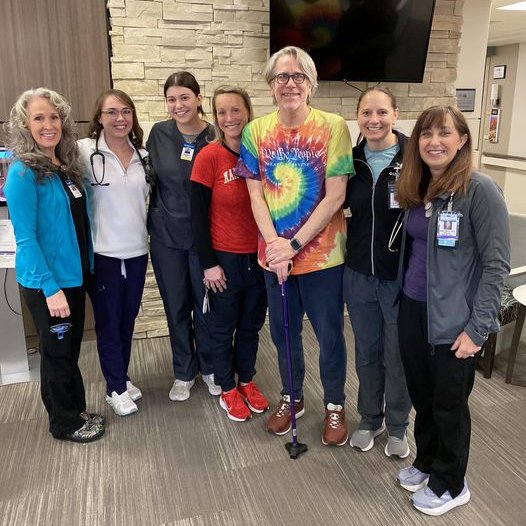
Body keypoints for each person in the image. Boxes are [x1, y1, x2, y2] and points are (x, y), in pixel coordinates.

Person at [395, 105, 510, 516]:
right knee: (423, 397)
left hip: (454, 320)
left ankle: (451, 482)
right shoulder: (419, 186)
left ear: (462, 140)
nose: (434, 142)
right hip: (413, 310)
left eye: (444, 133)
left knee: (449, 404)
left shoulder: (479, 190)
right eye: (426, 134)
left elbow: (497, 265)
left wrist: (478, 329)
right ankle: (427, 461)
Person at [236, 46, 354, 446]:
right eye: (282, 77)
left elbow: (335, 196)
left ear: (311, 84)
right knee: (283, 334)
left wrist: (294, 245)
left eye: (298, 76)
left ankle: (335, 405)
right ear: (271, 86)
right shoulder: (255, 132)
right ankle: (293, 398)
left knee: (329, 335)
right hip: (274, 257)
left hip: (322, 258)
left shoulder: (334, 126)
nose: (290, 84)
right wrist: (275, 246)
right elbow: (256, 197)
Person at [4, 88, 104, 443]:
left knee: (69, 350)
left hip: (74, 277)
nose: (49, 125)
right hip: (49, 283)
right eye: (39, 118)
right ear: (24, 125)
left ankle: (75, 410)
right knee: (57, 354)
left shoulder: (64, 167)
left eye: (54, 116)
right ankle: (63, 423)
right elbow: (27, 240)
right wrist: (50, 289)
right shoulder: (22, 173)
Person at [190, 86, 268, 422]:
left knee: (251, 326)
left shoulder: (264, 152)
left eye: (235, 110)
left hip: (260, 258)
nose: (229, 118)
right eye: (222, 112)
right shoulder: (209, 156)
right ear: (215, 117)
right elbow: (196, 215)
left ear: (248, 111)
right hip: (224, 261)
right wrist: (209, 264)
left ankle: (246, 380)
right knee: (222, 329)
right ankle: (227, 388)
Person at [344, 86, 412, 457]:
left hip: (398, 276)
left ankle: (399, 424)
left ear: (395, 114)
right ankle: (371, 418)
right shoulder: (349, 160)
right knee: (368, 351)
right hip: (357, 274)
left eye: (382, 112)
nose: (374, 120)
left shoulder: (413, 158)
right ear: (358, 117)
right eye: (367, 113)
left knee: (396, 353)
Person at [147, 71, 219, 401]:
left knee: (206, 305)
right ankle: (183, 371)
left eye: (185, 97)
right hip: (166, 236)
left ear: (199, 98)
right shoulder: (158, 134)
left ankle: (209, 367)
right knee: (175, 305)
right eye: (172, 99)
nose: (178, 105)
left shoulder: (215, 135)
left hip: (205, 237)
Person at [78, 89, 151, 416]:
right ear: (99, 117)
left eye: (126, 112)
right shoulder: (84, 152)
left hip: (137, 251)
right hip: (103, 254)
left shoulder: (143, 155)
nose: (120, 118)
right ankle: (114, 388)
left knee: (128, 318)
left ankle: (121, 375)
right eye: (112, 112)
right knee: (109, 322)